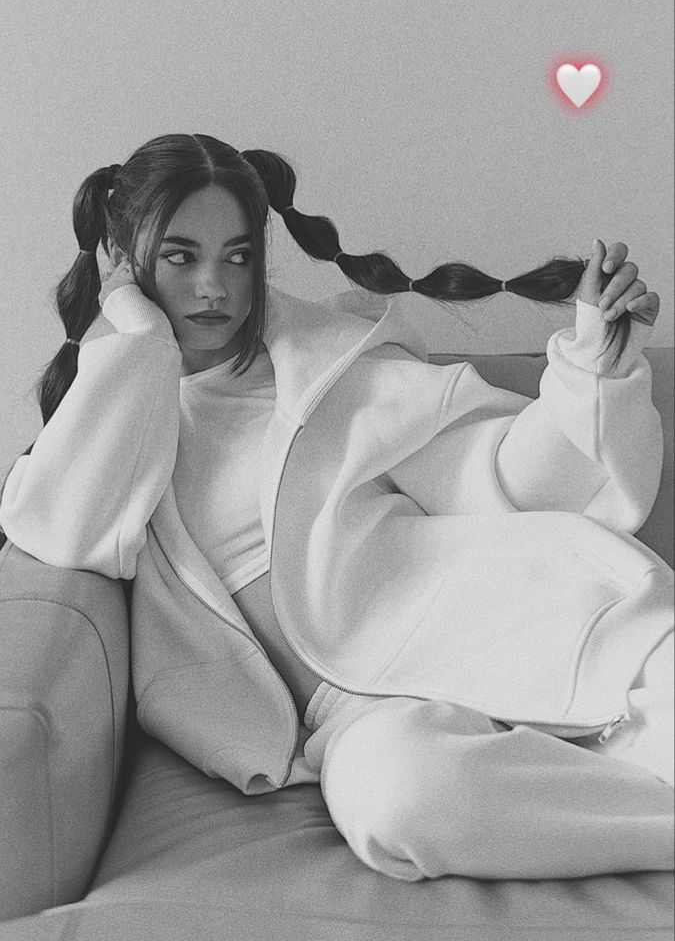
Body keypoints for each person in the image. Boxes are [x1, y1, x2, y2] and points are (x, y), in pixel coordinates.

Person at [0, 132, 672, 882]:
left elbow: (505, 480)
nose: (214, 288)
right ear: (128, 263)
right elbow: (60, 528)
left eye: (238, 256)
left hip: (499, 619)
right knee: (404, 802)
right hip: (358, 712)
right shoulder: (121, 412)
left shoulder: (330, 365)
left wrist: (591, 370)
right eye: (181, 258)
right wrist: (139, 339)